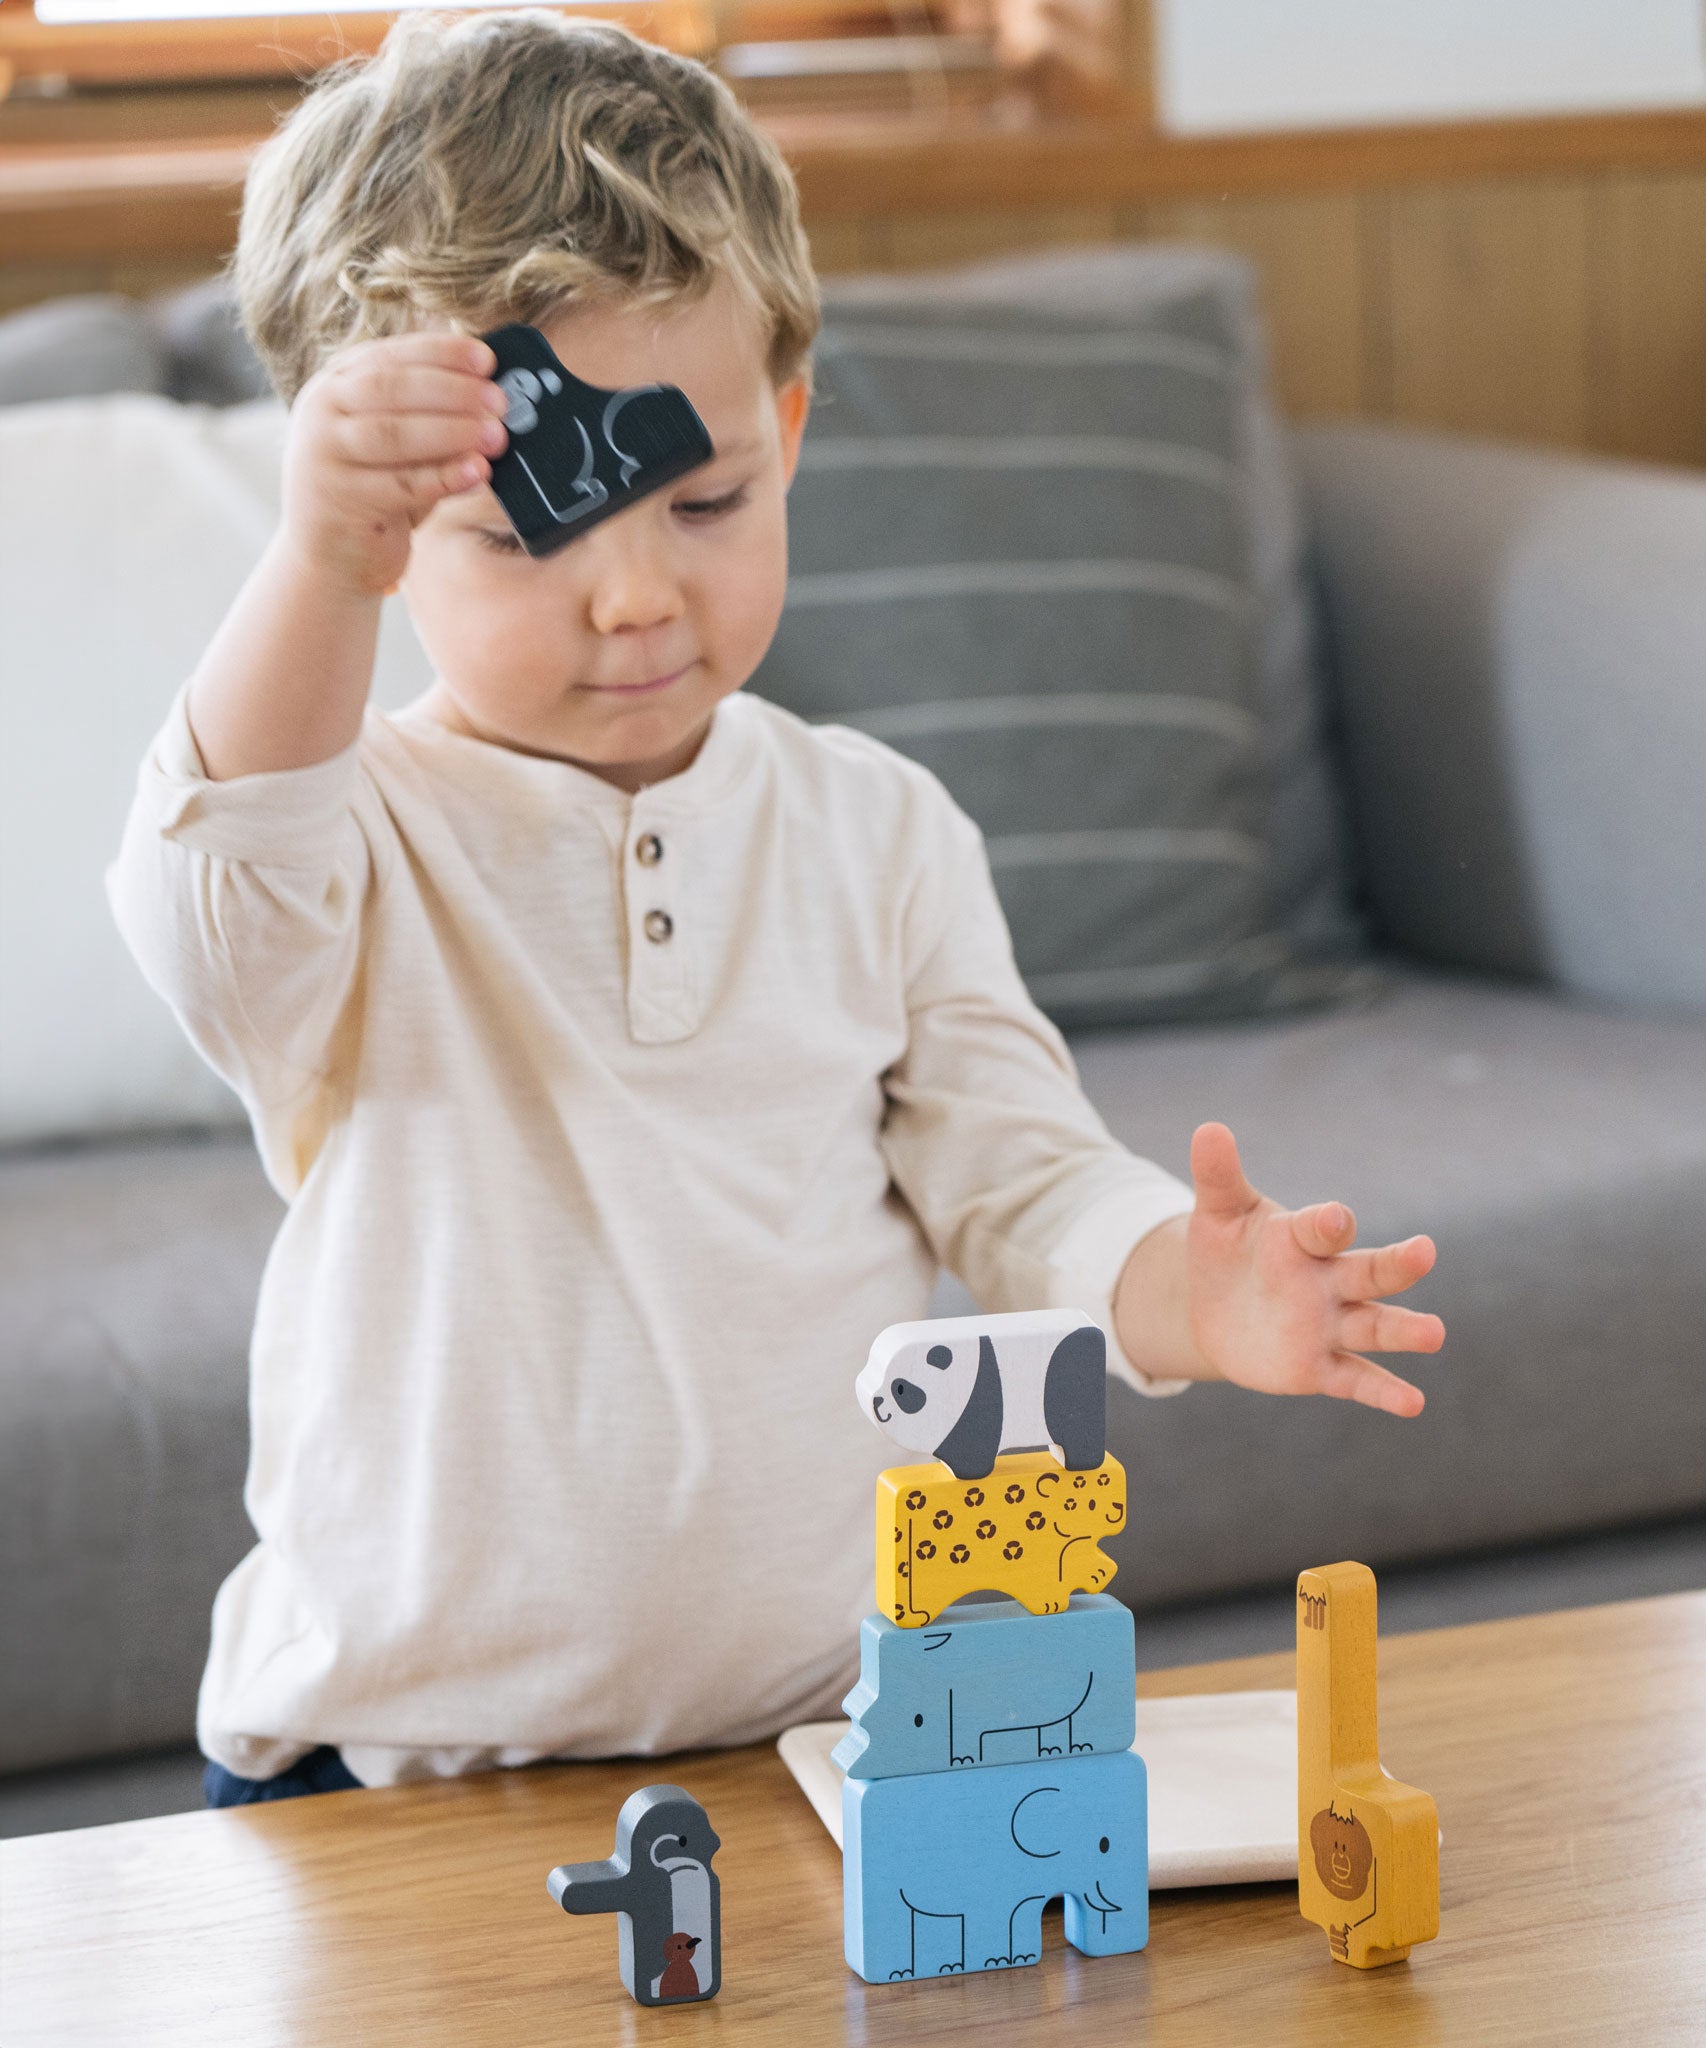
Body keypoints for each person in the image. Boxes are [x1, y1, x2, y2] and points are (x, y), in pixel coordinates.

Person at [108, 11, 1444, 1807]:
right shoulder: (353, 840)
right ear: (388, 542)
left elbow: (1018, 1176)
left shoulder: (877, 831)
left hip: (840, 1734)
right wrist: (307, 572)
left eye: (709, 497)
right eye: (526, 539)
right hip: (398, 1761)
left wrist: (1181, 1299)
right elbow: (210, 905)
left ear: (788, 433)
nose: (637, 600)